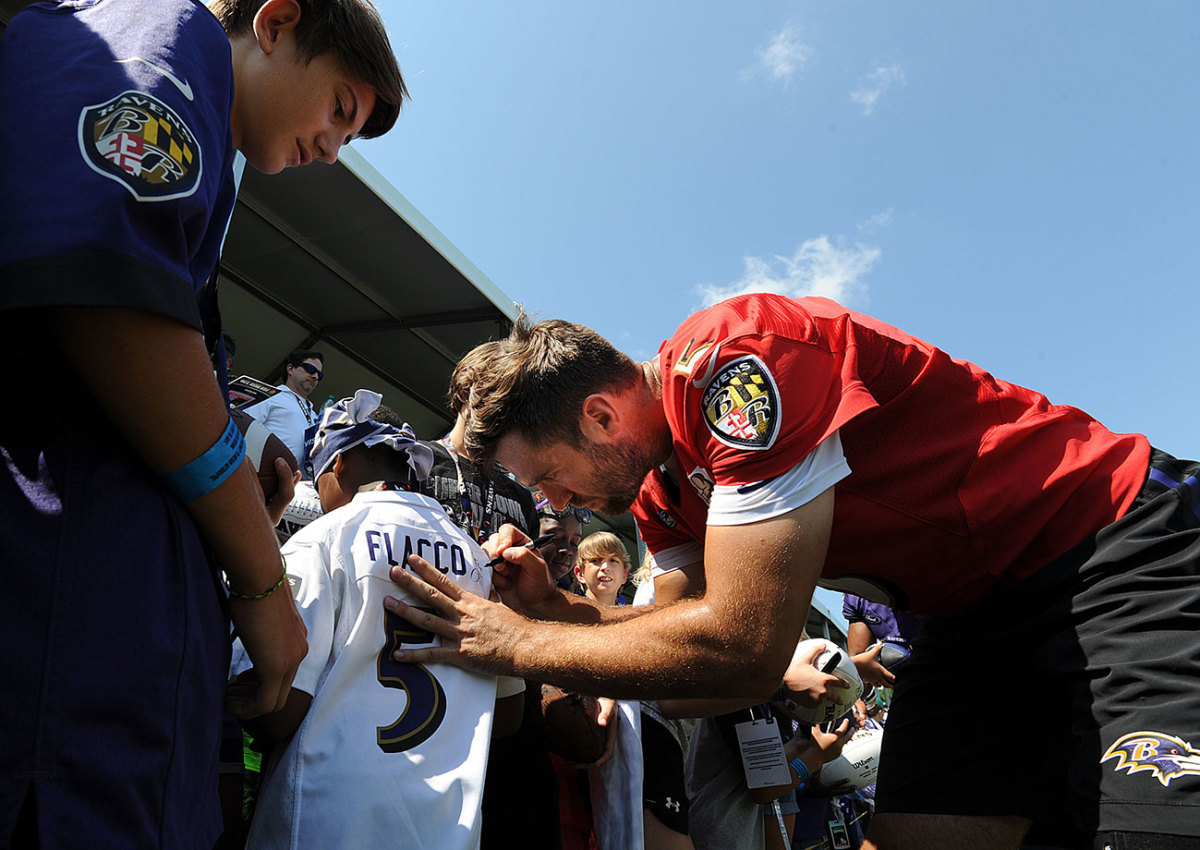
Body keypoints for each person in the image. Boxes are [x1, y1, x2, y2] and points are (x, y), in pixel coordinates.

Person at [386, 293, 1200, 849]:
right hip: (967, 622)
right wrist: (559, 616)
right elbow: (689, 676)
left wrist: (512, 641)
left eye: (546, 476)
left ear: (601, 416)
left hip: (1114, 544)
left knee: (1144, 830)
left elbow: (737, 648)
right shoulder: (662, 500)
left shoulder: (735, 362)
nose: (552, 501)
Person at [0, 0, 406, 846]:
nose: (332, 148)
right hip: (64, 655)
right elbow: (110, 289)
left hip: (119, 681)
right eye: (339, 108)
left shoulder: (212, 167)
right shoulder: (170, 30)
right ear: (275, 21)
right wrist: (263, 584)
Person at [233, 390, 523, 850]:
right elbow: (508, 715)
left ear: (339, 463)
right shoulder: (474, 555)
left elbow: (277, 708)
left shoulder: (326, 536)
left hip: (327, 820)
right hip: (446, 831)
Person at [241, 349, 325, 478]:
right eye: (310, 369)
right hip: (260, 476)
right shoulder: (270, 395)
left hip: (297, 487)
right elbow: (243, 429)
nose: (314, 376)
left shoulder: (315, 416)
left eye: (319, 375)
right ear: (290, 369)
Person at [574, 531, 631, 606]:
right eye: (595, 560)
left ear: (624, 575)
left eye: (613, 560)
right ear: (580, 574)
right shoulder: (567, 614)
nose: (605, 567)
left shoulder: (634, 616)